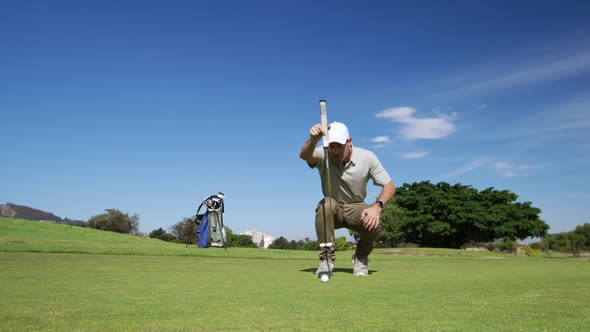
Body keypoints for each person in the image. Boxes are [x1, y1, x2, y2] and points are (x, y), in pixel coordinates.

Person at [299, 122, 395, 277]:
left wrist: (376, 207)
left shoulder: (367, 157)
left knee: (374, 221)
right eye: (332, 146)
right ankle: (326, 260)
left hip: (356, 207)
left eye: (339, 146)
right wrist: (313, 140)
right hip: (333, 208)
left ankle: (361, 258)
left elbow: (389, 186)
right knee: (325, 205)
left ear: (349, 142)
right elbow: (304, 155)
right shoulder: (324, 153)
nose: (335, 151)